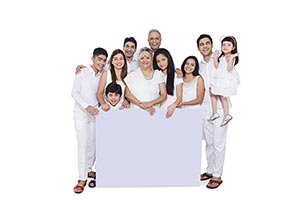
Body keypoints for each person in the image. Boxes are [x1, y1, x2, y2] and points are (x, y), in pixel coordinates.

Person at [197, 34, 232, 189]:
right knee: (209, 142)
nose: (205, 46)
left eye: (207, 43)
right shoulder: (198, 65)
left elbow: (230, 76)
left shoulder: (220, 60)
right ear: (198, 48)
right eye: (201, 44)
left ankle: (217, 175)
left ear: (211, 45)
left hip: (219, 106)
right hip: (204, 107)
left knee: (218, 142)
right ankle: (210, 170)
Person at [71, 47, 108, 193]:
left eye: (104, 60)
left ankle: (88, 170)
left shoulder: (103, 74)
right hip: (82, 113)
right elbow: (74, 92)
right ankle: (81, 178)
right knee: (83, 144)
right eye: (99, 59)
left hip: (96, 114)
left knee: (93, 143)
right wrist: (87, 107)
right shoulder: (82, 72)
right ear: (93, 59)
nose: (102, 62)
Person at [124, 47, 167, 115]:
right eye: (142, 58)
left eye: (147, 58)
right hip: (136, 112)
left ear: (152, 59)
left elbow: (164, 95)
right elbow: (127, 94)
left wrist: (150, 103)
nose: (145, 60)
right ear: (138, 60)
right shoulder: (132, 75)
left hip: (154, 112)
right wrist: (141, 104)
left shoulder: (158, 74)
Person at [208, 36, 240, 127]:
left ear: (233, 47)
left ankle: (226, 114)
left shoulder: (231, 57)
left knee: (222, 97)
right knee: (213, 93)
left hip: (224, 79)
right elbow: (217, 67)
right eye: (223, 45)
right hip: (219, 77)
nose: (225, 47)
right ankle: (215, 112)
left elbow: (229, 69)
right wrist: (215, 57)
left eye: (228, 45)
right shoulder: (222, 56)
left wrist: (232, 58)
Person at [153, 48, 183, 118]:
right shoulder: (156, 76)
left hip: (173, 110)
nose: (161, 63)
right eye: (158, 61)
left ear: (168, 59)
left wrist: (173, 105)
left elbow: (179, 97)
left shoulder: (176, 75)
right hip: (159, 111)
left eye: (163, 60)